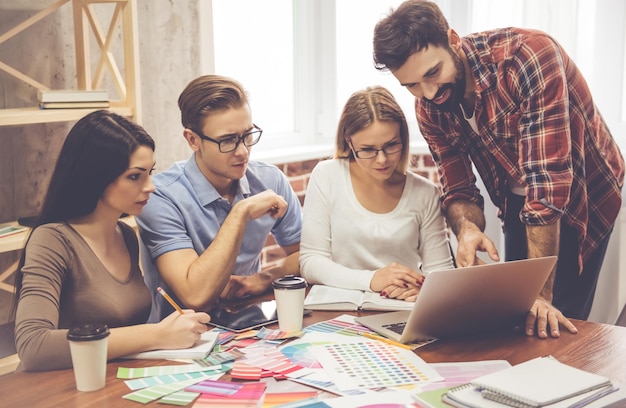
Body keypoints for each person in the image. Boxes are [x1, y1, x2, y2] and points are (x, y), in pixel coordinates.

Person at [372, 0, 625, 338]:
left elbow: (546, 186)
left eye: (433, 73)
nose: (429, 93)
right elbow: (459, 189)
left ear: (453, 40)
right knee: (518, 318)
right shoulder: (429, 109)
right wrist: (467, 230)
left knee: (562, 322)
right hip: (521, 200)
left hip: (587, 192)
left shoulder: (529, 57)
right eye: (412, 85)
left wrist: (541, 293)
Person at [13, 110, 211, 372]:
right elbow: (34, 346)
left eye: (150, 172)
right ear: (97, 176)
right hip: (62, 390)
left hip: (113, 382)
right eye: (134, 176)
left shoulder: (126, 235)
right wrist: (157, 335)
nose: (150, 186)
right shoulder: (52, 240)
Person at [136, 75, 302, 322]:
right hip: (180, 342)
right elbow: (195, 295)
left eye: (247, 135)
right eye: (227, 140)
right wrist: (240, 212)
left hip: (251, 327)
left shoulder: (270, 180)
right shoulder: (160, 196)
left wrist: (265, 278)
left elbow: (310, 257)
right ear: (193, 140)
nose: (243, 151)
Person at [300, 86, 455, 301]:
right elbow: (311, 262)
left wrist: (426, 289)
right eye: (368, 149)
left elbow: (441, 274)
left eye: (391, 145)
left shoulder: (425, 193)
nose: (382, 159)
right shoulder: (327, 176)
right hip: (339, 310)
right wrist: (372, 280)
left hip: (403, 308)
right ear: (349, 142)